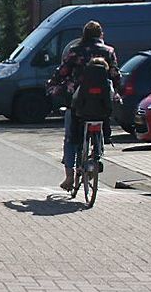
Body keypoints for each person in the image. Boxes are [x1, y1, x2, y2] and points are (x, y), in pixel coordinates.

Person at [46, 21, 121, 190]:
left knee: (70, 137)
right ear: (101, 34)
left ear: (84, 35)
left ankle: (69, 176)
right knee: (102, 123)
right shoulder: (109, 52)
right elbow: (116, 75)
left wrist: (52, 85)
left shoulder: (75, 52)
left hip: (78, 102)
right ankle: (97, 154)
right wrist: (116, 92)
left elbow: (62, 72)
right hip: (101, 104)